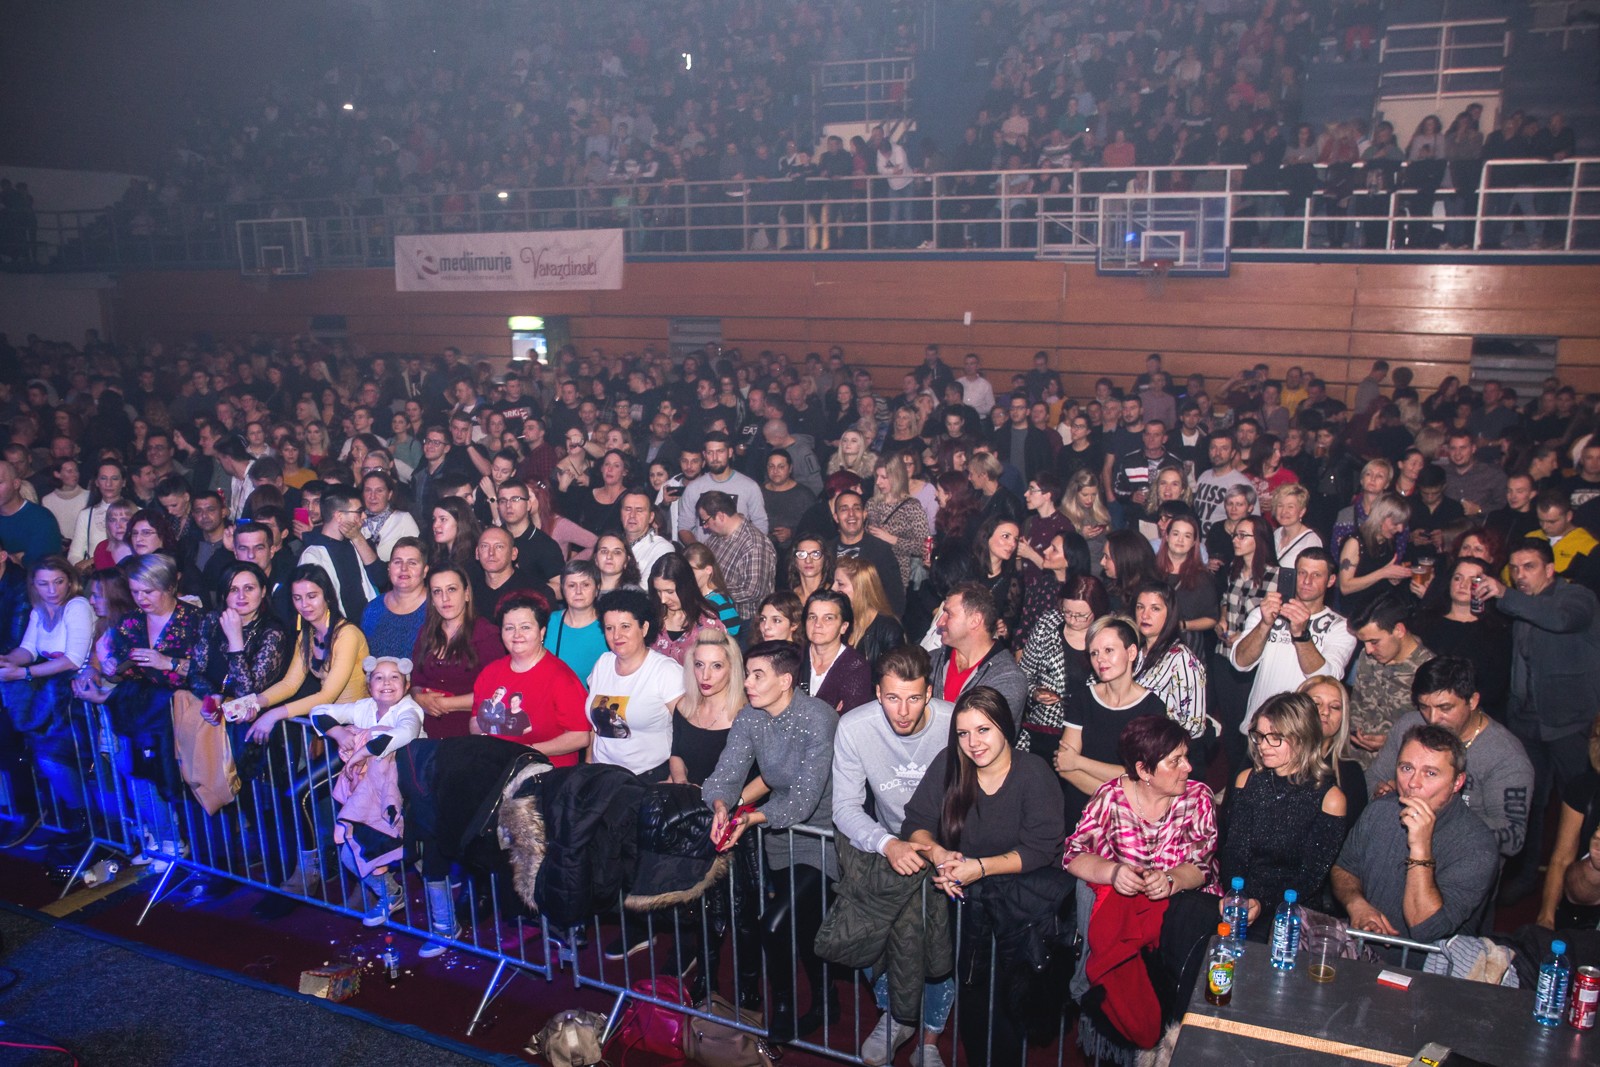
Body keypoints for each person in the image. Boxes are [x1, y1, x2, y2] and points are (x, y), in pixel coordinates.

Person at [902, 686, 1068, 1067]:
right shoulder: (950, 765)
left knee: (1008, 1012)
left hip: (1021, 914)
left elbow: (1041, 848)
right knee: (974, 1008)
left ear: (1005, 727)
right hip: (968, 910)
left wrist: (978, 868)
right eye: (963, 733)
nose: (973, 743)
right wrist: (939, 855)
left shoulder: (1033, 772)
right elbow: (915, 823)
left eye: (983, 730)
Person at [703, 640, 839, 1042]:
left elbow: (804, 800)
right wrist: (721, 806)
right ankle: (826, 1001)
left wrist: (750, 818)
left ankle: (782, 1009)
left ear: (785, 680)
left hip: (825, 836)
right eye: (747, 674)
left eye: (757, 675)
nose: (746, 683)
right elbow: (725, 775)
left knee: (776, 923)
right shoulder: (750, 718)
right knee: (807, 926)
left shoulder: (818, 718)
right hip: (781, 837)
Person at [828, 645, 957, 1066]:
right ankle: (896, 1017)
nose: (903, 711)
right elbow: (845, 807)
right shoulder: (855, 726)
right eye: (892, 698)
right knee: (874, 930)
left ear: (929, 692)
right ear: (877, 693)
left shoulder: (955, 722)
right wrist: (887, 843)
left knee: (941, 945)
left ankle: (929, 1041)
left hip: (949, 847)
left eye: (914, 698)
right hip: (891, 844)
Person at [1063, 715, 1218, 1054]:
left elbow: (1202, 863)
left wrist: (1173, 879)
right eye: (1175, 761)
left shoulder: (1198, 798)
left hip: (1181, 917)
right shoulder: (1110, 798)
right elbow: (1073, 855)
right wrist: (1113, 872)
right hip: (1127, 919)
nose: (1188, 767)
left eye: (1186, 756)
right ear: (1144, 770)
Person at [1461, 539, 1600, 897]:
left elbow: (1562, 620)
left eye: (1529, 567)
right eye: (1514, 568)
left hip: (1570, 724)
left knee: (1580, 805)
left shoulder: (1575, 597)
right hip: (1527, 722)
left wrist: (1505, 593)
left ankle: (1582, 883)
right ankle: (1525, 878)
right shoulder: (1519, 604)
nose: (1520, 575)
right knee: (1529, 803)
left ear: (1550, 569)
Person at [1330, 725, 1499, 945]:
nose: (1413, 783)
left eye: (1430, 773)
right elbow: (1344, 868)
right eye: (1406, 768)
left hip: (1427, 962)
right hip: (1362, 950)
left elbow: (1426, 927)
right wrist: (1356, 904)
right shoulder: (1379, 810)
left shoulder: (1477, 845)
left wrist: (1420, 847)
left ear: (1457, 782)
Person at [1365, 656, 1532, 861]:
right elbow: (1372, 777)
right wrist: (1381, 793)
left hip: (1461, 861)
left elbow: (1512, 839)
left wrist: (1439, 817)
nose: (1433, 718)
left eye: (1445, 708)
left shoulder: (1505, 756)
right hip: (1393, 850)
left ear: (1472, 701)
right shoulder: (1409, 726)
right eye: (1424, 707)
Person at [309, 654, 427, 925]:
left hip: (409, 794)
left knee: (427, 860)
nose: (386, 683)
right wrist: (340, 733)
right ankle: (390, 893)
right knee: (352, 854)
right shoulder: (364, 707)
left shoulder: (410, 709)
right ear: (369, 684)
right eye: (379, 678)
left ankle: (446, 923)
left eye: (394, 677)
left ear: (406, 685)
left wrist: (361, 751)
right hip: (370, 796)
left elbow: (406, 732)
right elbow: (319, 711)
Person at [1219, 692, 1348, 936]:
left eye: (1275, 738)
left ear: (1303, 739)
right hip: (1243, 900)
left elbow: (1310, 877)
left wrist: (1262, 903)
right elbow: (1234, 851)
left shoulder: (1329, 799)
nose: (1263, 745)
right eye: (1259, 736)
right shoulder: (1247, 780)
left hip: (1291, 912)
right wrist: (1237, 896)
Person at [0, 556, 94, 848]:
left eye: (58, 582)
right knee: (44, 760)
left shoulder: (77, 606)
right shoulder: (39, 610)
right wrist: (7, 662)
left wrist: (23, 673)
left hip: (77, 698)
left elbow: (72, 660)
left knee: (54, 760)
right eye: (43, 583)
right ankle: (72, 819)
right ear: (34, 585)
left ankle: (86, 821)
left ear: (69, 581)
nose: (52, 590)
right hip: (51, 697)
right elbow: (28, 650)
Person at [1228, 548, 1358, 720]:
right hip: (1261, 722)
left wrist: (1301, 636)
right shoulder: (1264, 613)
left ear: (1331, 580)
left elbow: (1327, 680)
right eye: (1302, 573)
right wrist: (1265, 625)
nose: (1307, 581)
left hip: (1303, 726)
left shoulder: (1341, 627)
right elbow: (1240, 663)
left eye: (1316, 575)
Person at [469, 591, 591, 765]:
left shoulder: (560, 677)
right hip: (496, 769)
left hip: (546, 772)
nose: (517, 635)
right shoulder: (490, 673)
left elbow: (580, 736)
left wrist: (526, 751)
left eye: (525, 627)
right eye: (509, 628)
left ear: (542, 632)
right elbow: (476, 718)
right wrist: (485, 742)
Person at [587, 588, 685, 780]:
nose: (616, 635)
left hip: (649, 777)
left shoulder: (665, 671)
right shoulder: (603, 664)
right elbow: (594, 725)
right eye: (609, 628)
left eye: (625, 626)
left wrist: (674, 778)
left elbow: (687, 731)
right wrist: (589, 763)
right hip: (603, 776)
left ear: (644, 628)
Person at [1408, 555, 1510, 720]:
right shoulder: (1424, 622)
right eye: (1458, 578)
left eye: (1473, 580)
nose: (1463, 585)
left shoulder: (1496, 630)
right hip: (1424, 709)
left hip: (1473, 714)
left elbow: (1496, 687)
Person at [407, 565, 505, 737]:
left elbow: (496, 692)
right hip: (426, 730)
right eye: (437, 592)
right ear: (432, 599)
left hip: (470, 732)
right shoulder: (426, 632)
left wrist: (446, 704)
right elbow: (416, 682)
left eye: (451, 589)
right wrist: (419, 698)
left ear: (466, 594)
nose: (445, 598)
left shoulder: (486, 635)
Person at [1347, 595, 1434, 767]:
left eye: (1374, 641)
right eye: (1364, 643)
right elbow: (1357, 703)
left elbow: (1434, 731)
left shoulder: (1428, 670)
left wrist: (1393, 741)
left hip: (1396, 767)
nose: (1368, 650)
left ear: (1399, 630)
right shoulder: (1368, 656)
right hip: (1354, 761)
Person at [928, 582, 1029, 717]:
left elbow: (982, 728)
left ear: (975, 620)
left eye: (949, 614)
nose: (940, 622)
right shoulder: (930, 661)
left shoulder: (1008, 678)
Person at [1130, 583, 1210, 740]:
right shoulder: (1134, 651)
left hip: (1163, 747)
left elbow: (1194, 727)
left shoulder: (1182, 659)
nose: (1145, 615)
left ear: (1170, 614)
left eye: (1155, 609)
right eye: (1140, 607)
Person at [669, 630, 747, 787]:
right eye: (699, 665)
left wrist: (729, 799)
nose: (705, 676)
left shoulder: (747, 716)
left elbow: (767, 776)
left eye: (716, 666)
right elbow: (676, 754)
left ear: (732, 669)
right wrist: (683, 784)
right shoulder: (684, 707)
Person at [697, 490, 777, 629]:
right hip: (718, 617)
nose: (704, 526)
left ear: (720, 516)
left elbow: (752, 591)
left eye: (705, 521)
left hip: (744, 624)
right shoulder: (716, 537)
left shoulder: (754, 544)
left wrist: (710, 591)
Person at [680, 432, 769, 542]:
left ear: (730, 452)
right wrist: (698, 550)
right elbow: (684, 527)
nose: (715, 457)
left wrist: (752, 547)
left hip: (739, 550)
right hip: (704, 550)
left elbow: (760, 523)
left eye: (720, 451)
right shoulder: (694, 488)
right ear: (704, 455)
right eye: (710, 452)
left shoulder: (749, 487)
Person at [830, 488, 906, 615]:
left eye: (856, 508)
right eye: (844, 509)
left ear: (864, 514)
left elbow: (895, 596)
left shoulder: (880, 550)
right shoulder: (827, 550)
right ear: (836, 517)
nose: (851, 514)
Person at [647, 552, 725, 664]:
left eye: (670, 592)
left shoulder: (708, 624)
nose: (663, 599)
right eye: (658, 591)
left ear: (686, 586)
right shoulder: (649, 617)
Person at [803, 589, 873, 713]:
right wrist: (830, 712)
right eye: (812, 617)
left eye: (828, 618)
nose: (817, 624)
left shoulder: (856, 667)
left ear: (843, 627)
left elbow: (850, 720)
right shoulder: (793, 658)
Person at [358, 537, 428, 660]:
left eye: (412, 563)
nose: (404, 568)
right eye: (397, 562)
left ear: (425, 571)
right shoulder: (373, 609)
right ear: (389, 568)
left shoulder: (437, 608)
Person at [866, 459, 930, 589]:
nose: (878, 482)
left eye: (884, 477)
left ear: (897, 477)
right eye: (877, 477)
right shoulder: (872, 503)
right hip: (873, 570)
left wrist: (891, 538)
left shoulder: (912, 506)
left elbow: (924, 547)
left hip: (898, 573)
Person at [832, 556, 905, 666]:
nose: (833, 589)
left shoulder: (888, 628)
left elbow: (895, 672)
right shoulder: (840, 620)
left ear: (860, 588)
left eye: (840, 584)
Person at [0, 461, 64, 567]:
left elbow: (40, 566)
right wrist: (15, 558)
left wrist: (9, 560)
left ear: (16, 484)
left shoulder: (41, 519)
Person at [1271, 483, 1322, 570]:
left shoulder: (1311, 541)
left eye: (1290, 507)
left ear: (1302, 512)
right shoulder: (1276, 534)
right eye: (1280, 506)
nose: (1284, 511)